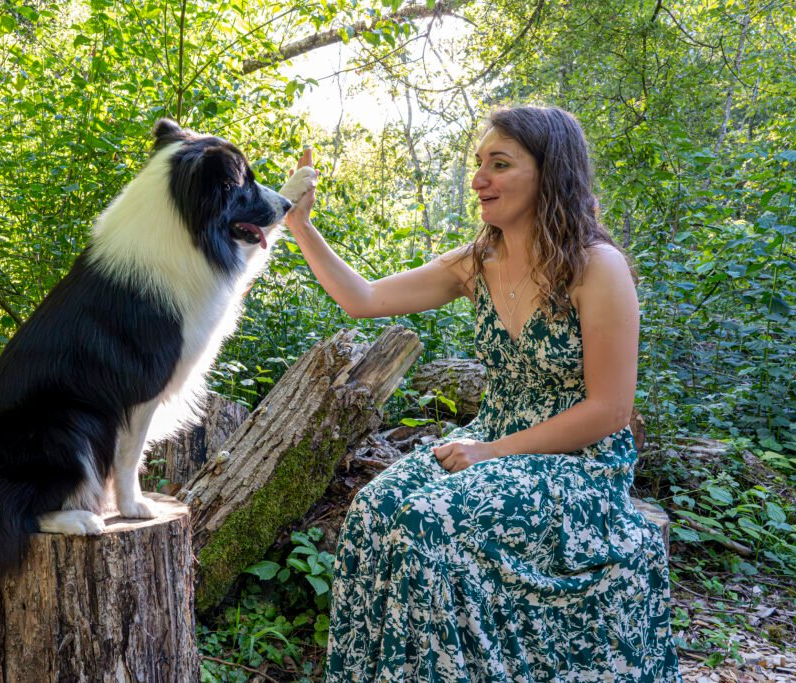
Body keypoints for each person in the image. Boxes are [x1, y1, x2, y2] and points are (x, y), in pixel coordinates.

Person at [283, 106, 681, 682]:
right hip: (488, 440)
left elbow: (610, 409)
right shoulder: (477, 262)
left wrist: (490, 453)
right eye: (479, 165)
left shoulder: (598, 268)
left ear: (551, 174)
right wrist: (300, 224)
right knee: (373, 511)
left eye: (500, 164)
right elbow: (363, 299)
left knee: (428, 521)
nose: (479, 180)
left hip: (580, 465)